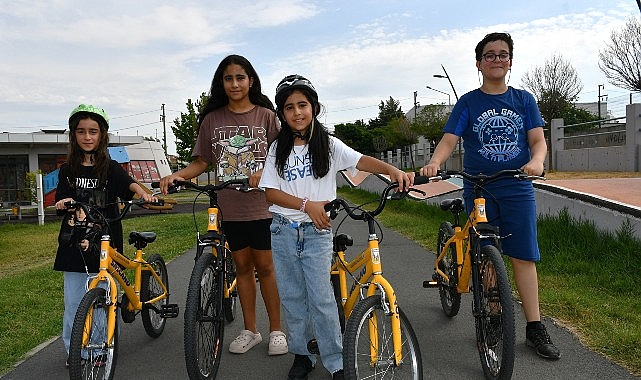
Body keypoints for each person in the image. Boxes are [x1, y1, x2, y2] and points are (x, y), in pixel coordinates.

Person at [259, 74, 413, 380]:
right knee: (292, 297)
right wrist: (306, 205)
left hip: (317, 234)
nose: (297, 112)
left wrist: (392, 169)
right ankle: (303, 354)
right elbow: (270, 193)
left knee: (321, 298)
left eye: (302, 105)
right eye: (289, 107)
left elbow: (361, 161)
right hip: (283, 230)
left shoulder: (328, 145)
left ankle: (335, 361)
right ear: (282, 114)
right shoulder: (278, 149)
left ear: (314, 107)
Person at [420, 32, 561, 360]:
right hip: (479, 188)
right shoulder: (468, 102)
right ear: (479, 63)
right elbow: (448, 139)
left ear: (510, 61)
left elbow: (538, 141)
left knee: (524, 257)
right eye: (490, 54)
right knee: (486, 256)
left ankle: (535, 327)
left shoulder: (524, 100)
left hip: (517, 185)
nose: (497, 59)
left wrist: (537, 161)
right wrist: (434, 163)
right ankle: (494, 317)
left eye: (503, 54)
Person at [159, 54, 287, 355]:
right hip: (230, 207)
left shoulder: (267, 116)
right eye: (228, 78)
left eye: (240, 77)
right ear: (221, 82)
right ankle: (251, 330)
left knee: (266, 268)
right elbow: (202, 161)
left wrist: (263, 173)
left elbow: (281, 158)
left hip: (263, 206)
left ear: (251, 80)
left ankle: (277, 331)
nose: (235, 84)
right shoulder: (212, 120)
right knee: (242, 268)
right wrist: (177, 174)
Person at [54, 104, 156, 367]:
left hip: (105, 241)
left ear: (102, 135)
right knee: (75, 301)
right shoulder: (67, 170)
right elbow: (62, 197)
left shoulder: (109, 167)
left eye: (93, 131)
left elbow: (128, 185)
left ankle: (100, 348)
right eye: (81, 131)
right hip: (74, 243)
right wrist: (64, 202)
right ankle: (75, 350)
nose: (87, 137)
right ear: (74, 136)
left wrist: (143, 193)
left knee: (103, 298)